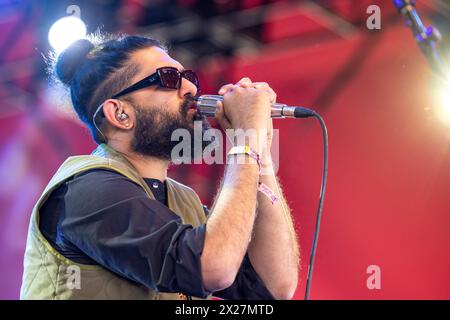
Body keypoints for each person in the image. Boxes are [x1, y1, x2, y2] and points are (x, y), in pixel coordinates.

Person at [20, 34, 299, 300]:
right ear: (120, 114)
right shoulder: (86, 190)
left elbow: (274, 287)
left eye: (187, 77)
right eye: (169, 78)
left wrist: (258, 147)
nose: (192, 87)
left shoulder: (182, 200)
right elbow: (211, 268)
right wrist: (245, 143)